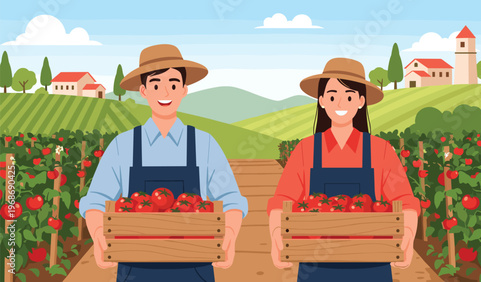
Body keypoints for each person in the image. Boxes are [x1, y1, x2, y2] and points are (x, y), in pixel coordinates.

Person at [79, 44, 248, 282]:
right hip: (134, 267)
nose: (165, 93)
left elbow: (231, 199)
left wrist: (229, 234)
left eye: (173, 84)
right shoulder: (123, 145)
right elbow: (95, 199)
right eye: (156, 85)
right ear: (144, 91)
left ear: (184, 90)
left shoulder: (204, 144)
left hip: (195, 266)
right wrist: (98, 235)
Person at [267, 58, 420, 281]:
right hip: (315, 265)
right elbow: (282, 200)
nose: (340, 103)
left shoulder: (380, 150)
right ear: (321, 101)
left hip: (372, 263)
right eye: (332, 96)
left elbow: (405, 200)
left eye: (348, 96)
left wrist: (406, 235)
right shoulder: (306, 150)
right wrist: (276, 236)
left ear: (360, 101)